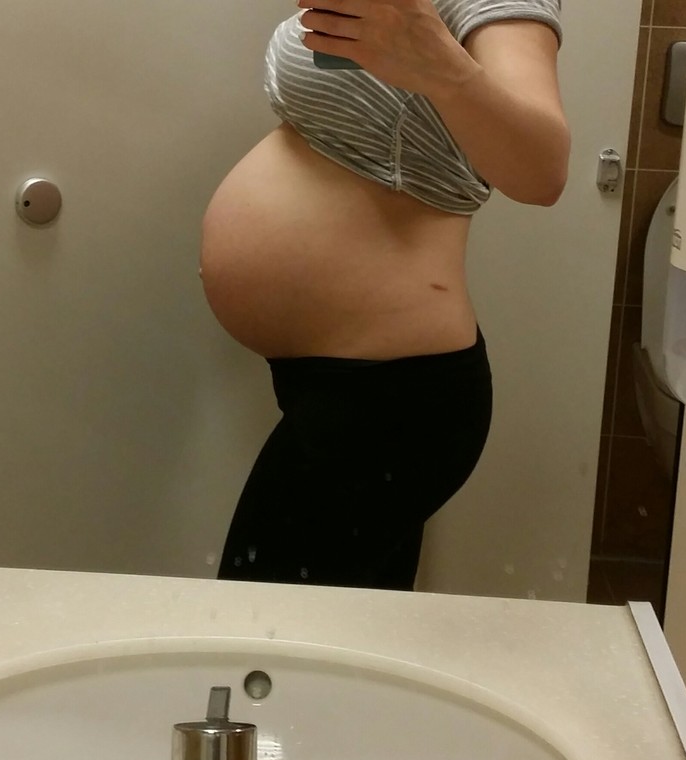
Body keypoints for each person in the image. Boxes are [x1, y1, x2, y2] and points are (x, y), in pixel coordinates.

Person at [200, 0, 570, 590]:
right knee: (332, 630)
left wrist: (438, 64)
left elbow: (541, 169)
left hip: (392, 394)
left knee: (262, 624)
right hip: (351, 382)